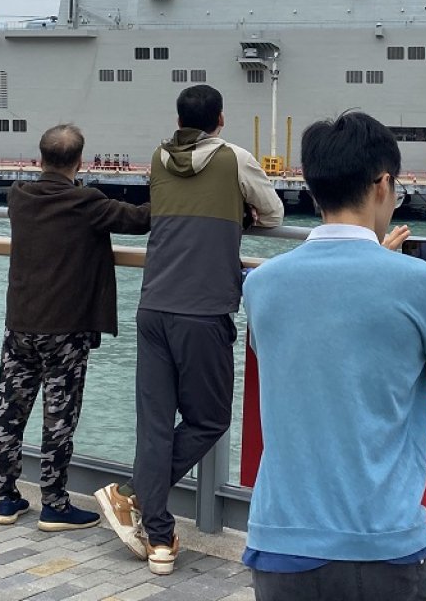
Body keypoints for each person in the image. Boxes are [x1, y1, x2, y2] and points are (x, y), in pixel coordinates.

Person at [241, 111, 426, 600]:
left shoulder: (261, 285)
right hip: (382, 546)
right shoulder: (422, 286)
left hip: (280, 546)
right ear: (384, 184)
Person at [96, 84, 283, 575]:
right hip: (204, 310)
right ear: (220, 119)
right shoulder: (234, 158)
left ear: (179, 118)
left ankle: (159, 537)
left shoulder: (159, 157)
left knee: (155, 425)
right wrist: (241, 215)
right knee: (210, 419)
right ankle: (132, 494)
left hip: (153, 303)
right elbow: (276, 213)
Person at [0, 124, 151, 531]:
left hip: (20, 324)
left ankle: (7, 499)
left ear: (39, 157)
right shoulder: (86, 202)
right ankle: (54, 503)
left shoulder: (18, 196)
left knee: (11, 413)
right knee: (59, 417)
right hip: (65, 329)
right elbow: (139, 220)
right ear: (80, 162)